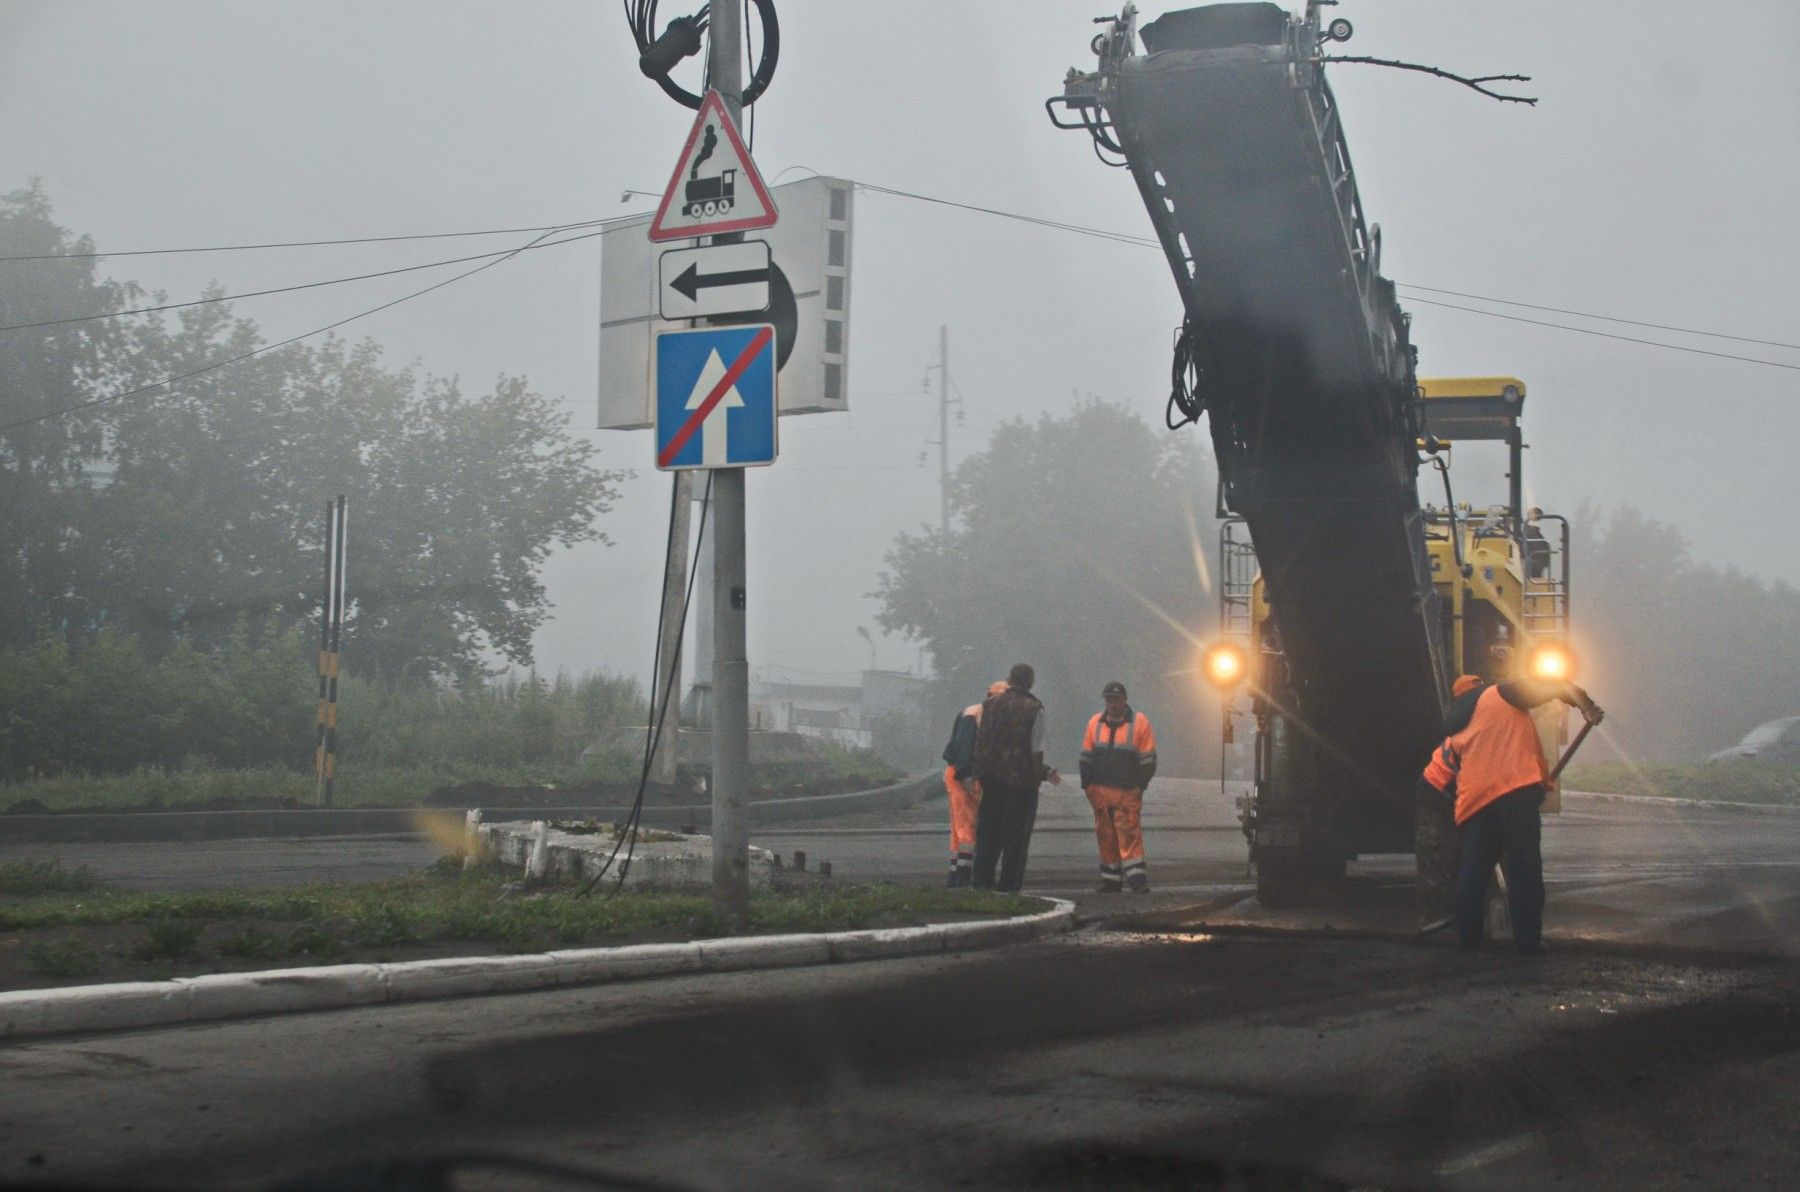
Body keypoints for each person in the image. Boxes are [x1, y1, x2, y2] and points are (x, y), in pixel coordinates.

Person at [1425, 672, 1603, 955]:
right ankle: (1528, 943)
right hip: (1514, 794)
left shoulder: (1456, 725)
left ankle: (1468, 943)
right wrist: (1585, 705)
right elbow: (1556, 685)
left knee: (1472, 874)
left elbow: (1440, 774)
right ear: (1480, 688)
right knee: (1523, 869)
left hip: (1475, 804)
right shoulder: (1501, 693)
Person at [971, 662, 1060, 893]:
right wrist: (1035, 780)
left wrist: (980, 774)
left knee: (988, 834)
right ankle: (1008, 887)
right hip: (1020, 784)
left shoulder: (989, 705)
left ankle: (981, 882)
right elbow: (1036, 749)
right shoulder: (1034, 708)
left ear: (1009, 680)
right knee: (1016, 840)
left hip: (991, 781)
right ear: (1030, 682)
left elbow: (981, 741)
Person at [1080, 681, 1158, 893]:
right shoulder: (1095, 722)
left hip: (1127, 793)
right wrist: (1087, 785)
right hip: (1100, 794)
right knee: (1106, 838)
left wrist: (1139, 786)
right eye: (1109, 700)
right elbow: (1085, 757)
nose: (1112, 705)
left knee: (1130, 837)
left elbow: (1148, 760)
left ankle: (1137, 881)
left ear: (1124, 700)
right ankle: (1111, 880)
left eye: (1116, 700)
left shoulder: (1140, 723)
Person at [940, 680, 1006, 888]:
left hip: (962, 775)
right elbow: (964, 746)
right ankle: (965, 876)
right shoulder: (976, 714)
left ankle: (956, 874)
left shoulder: (982, 715)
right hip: (963, 776)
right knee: (968, 826)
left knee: (960, 827)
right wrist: (967, 775)